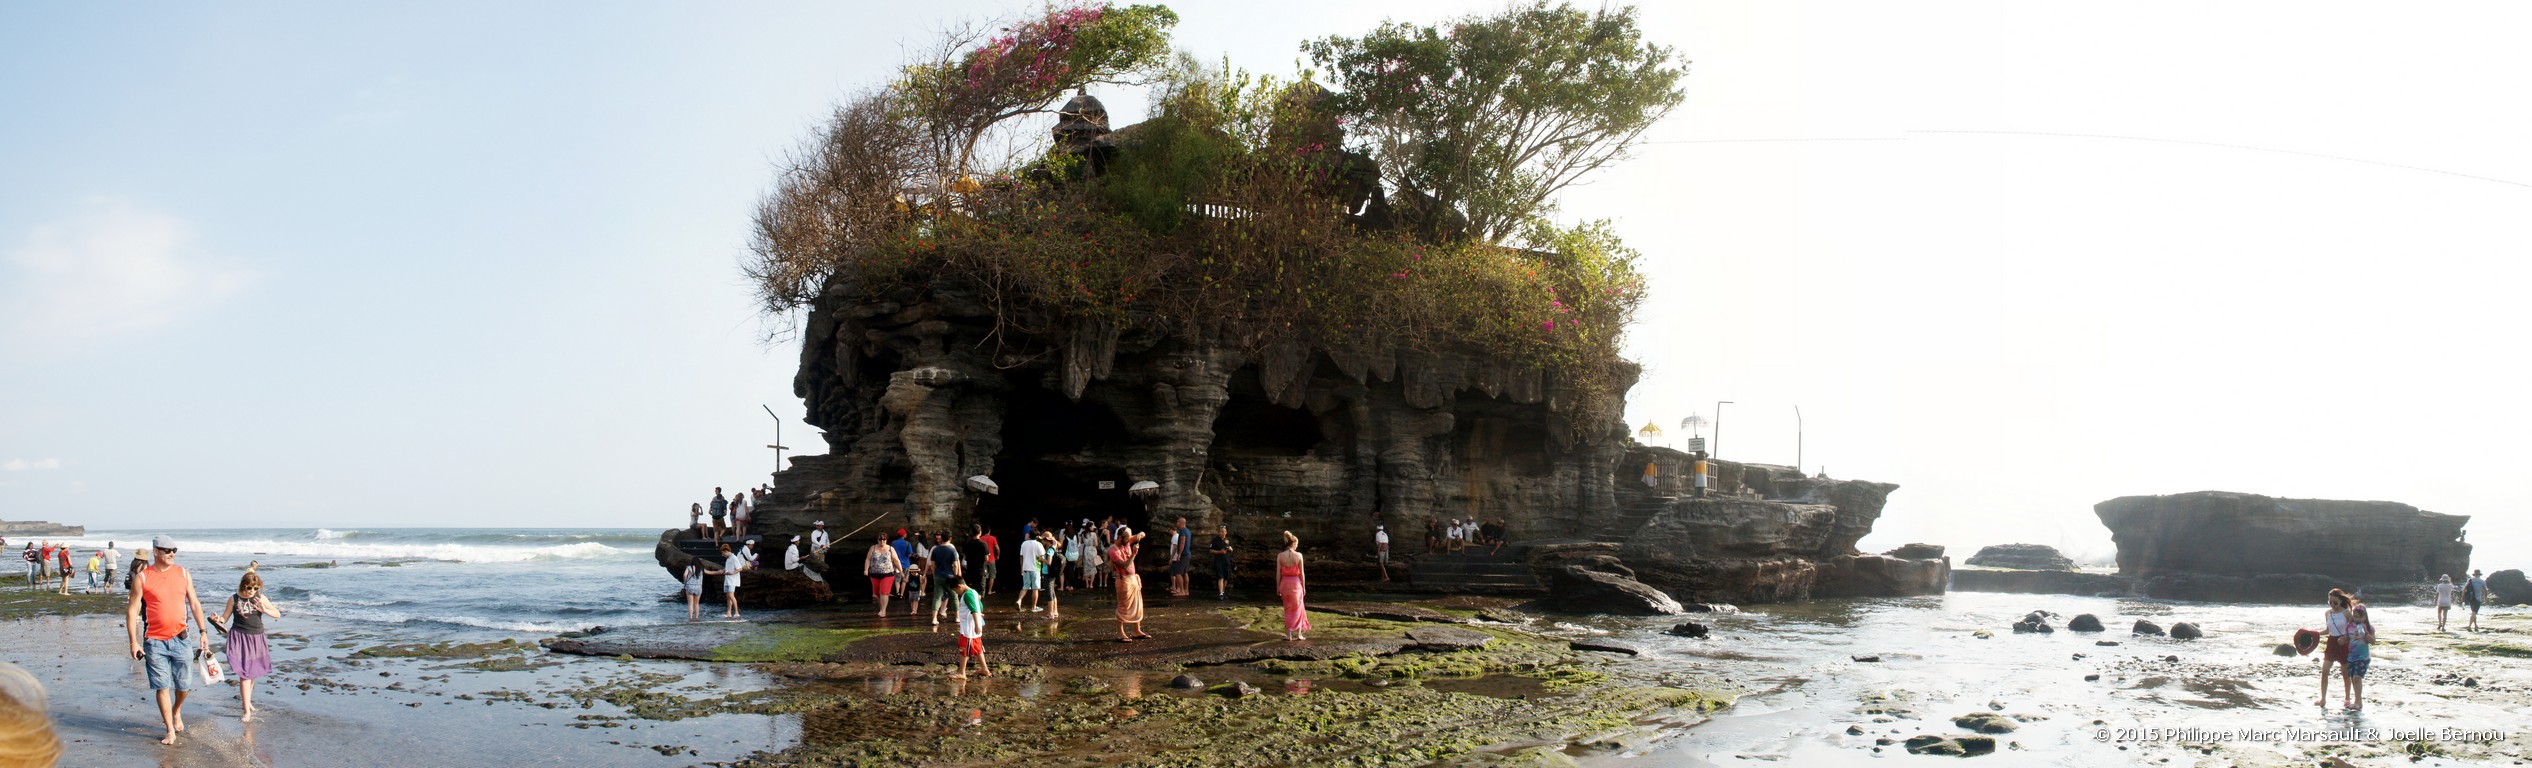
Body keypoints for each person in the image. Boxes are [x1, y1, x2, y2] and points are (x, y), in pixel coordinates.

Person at [126, 535, 211, 745]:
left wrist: (203, 631)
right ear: (156, 552)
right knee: (162, 686)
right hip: (154, 642)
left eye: (174, 550)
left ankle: (177, 710)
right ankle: (170, 729)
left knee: (184, 685)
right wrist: (133, 642)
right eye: (167, 550)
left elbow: (194, 603)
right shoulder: (143, 578)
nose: (172, 553)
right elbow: (132, 610)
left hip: (181, 639)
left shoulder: (183, 573)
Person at [213, 570, 283, 722]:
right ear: (243, 585)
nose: (252, 591)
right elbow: (225, 618)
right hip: (239, 637)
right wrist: (218, 619)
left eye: (256, 588)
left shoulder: (260, 598)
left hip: (257, 637)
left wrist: (263, 610)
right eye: (249, 588)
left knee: (253, 673)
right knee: (245, 674)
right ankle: (246, 711)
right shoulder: (234, 599)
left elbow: (277, 613)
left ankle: (248, 701)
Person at [1110, 527, 1151, 642]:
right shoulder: (1113, 550)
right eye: (1127, 538)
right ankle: (1120, 633)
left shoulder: (1127, 540)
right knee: (1123, 606)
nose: (1129, 540)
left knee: (1137, 605)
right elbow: (1124, 566)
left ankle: (1137, 630)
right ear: (1120, 537)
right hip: (1124, 580)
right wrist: (1133, 554)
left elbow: (1143, 533)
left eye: (1129, 538)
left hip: (1133, 579)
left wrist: (1139, 534)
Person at [949, 578, 991, 680]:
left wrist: (977, 624)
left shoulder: (967, 595)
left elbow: (974, 610)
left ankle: (962, 672)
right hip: (971, 626)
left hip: (969, 628)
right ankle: (985, 669)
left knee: (963, 648)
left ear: (959, 586)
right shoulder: (973, 592)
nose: (957, 593)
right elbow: (979, 606)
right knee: (978, 648)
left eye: (956, 590)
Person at [2318, 588, 2353, 709]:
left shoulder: (2346, 613)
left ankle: (2347, 698)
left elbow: (2353, 629)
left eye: (2335, 603)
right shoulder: (2327, 613)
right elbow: (2328, 630)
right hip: (2331, 642)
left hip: (2343, 643)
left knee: (2345, 674)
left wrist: (2346, 638)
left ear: (2340, 601)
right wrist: (2316, 634)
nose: (2333, 605)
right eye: (2330, 602)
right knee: (2325, 671)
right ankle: (2323, 698)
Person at [1277, 531, 1311, 641]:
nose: (1297, 546)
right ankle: (1299, 634)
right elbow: (1302, 573)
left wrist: (1278, 586)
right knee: (1299, 608)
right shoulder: (1299, 555)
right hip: (1296, 584)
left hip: (1285, 584)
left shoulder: (1280, 556)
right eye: (1297, 544)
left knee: (1287, 609)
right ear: (1293, 543)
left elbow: (1278, 573)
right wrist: (1304, 586)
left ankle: (1289, 635)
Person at [2341, 603, 2374, 711]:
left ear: (2364, 617)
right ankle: (2356, 700)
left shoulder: (2369, 627)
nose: (2357, 619)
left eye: (2360, 617)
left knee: (2357, 677)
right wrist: (2342, 640)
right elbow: (2346, 638)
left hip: (2363, 657)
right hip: (2351, 656)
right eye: (2355, 616)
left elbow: (2373, 641)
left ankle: (2358, 701)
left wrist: (2365, 633)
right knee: (2353, 678)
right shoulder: (2349, 626)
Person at [929, 534, 964, 627]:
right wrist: (955, 576)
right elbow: (956, 565)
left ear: (941, 539)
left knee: (937, 597)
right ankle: (957, 617)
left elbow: (933, 565)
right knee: (954, 597)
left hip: (938, 576)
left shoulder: (935, 550)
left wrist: (934, 575)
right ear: (950, 538)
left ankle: (934, 619)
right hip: (949, 576)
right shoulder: (952, 550)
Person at [864, 536, 904, 617]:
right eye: (880, 539)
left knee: (884, 592)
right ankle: (881, 608)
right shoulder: (873, 548)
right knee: (877, 593)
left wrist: (901, 571)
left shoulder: (890, 548)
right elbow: (868, 559)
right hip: (874, 574)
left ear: (886, 540)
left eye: (884, 539)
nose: (882, 541)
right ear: (877, 540)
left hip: (887, 574)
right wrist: (866, 569)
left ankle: (883, 611)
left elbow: (896, 560)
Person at [787, 535, 831, 602]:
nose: (799, 542)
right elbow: (793, 560)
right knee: (805, 569)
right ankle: (815, 577)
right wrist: (801, 558)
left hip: (788, 566)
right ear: (795, 542)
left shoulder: (790, 547)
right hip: (792, 566)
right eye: (798, 541)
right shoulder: (794, 549)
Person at [1016, 530, 1047, 613]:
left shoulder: (1024, 543)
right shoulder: (1038, 544)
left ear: (1029, 535)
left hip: (1025, 567)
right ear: (1037, 536)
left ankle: (1019, 600)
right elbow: (1042, 556)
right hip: (1035, 568)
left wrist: (1021, 568)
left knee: (1025, 586)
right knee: (1035, 588)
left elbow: (1021, 557)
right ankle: (1034, 607)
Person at [718, 543, 747, 620]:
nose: (722, 555)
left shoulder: (734, 558)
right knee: (728, 596)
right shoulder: (728, 558)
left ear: (726, 551)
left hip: (732, 580)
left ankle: (737, 612)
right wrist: (724, 571)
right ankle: (729, 612)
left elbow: (740, 568)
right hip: (727, 580)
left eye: (722, 553)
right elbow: (729, 568)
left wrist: (732, 573)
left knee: (731, 595)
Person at [1168, 518, 1193, 597]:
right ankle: (1186, 591)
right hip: (1188, 554)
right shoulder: (1188, 531)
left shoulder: (1182, 531)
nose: (1177, 523)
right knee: (1185, 573)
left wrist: (1179, 554)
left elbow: (1182, 542)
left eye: (1177, 522)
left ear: (1181, 522)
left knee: (1178, 573)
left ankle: (1181, 591)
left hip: (1183, 555)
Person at [1208, 525, 1234, 599]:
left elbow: (1232, 549)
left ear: (1226, 532)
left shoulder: (1228, 540)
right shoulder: (1215, 540)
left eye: (1222, 531)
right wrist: (1220, 552)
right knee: (1220, 577)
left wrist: (1230, 549)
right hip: (1218, 561)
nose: (1221, 533)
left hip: (1226, 561)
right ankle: (1220, 593)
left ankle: (1223, 592)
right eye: (1219, 531)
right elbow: (1211, 550)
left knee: (1226, 577)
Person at [889, 531, 917, 599]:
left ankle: (897, 593)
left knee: (897, 579)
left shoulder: (893, 543)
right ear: (903, 535)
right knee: (904, 579)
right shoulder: (907, 543)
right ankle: (901, 594)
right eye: (905, 533)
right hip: (906, 564)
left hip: (896, 564)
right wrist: (908, 556)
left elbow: (890, 552)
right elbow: (910, 554)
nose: (906, 534)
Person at [682, 556, 710, 620]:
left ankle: (691, 618)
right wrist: (720, 572)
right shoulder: (701, 568)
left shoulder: (689, 567)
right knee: (697, 603)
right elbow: (709, 572)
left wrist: (685, 582)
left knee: (690, 604)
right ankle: (697, 617)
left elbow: (684, 575)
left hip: (690, 586)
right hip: (698, 587)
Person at [977, 525, 1000, 595]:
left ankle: (982, 591)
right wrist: (997, 555)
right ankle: (989, 591)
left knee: (983, 575)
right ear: (989, 531)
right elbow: (997, 548)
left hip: (983, 560)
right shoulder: (993, 538)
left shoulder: (981, 538)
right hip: (992, 559)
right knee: (992, 576)